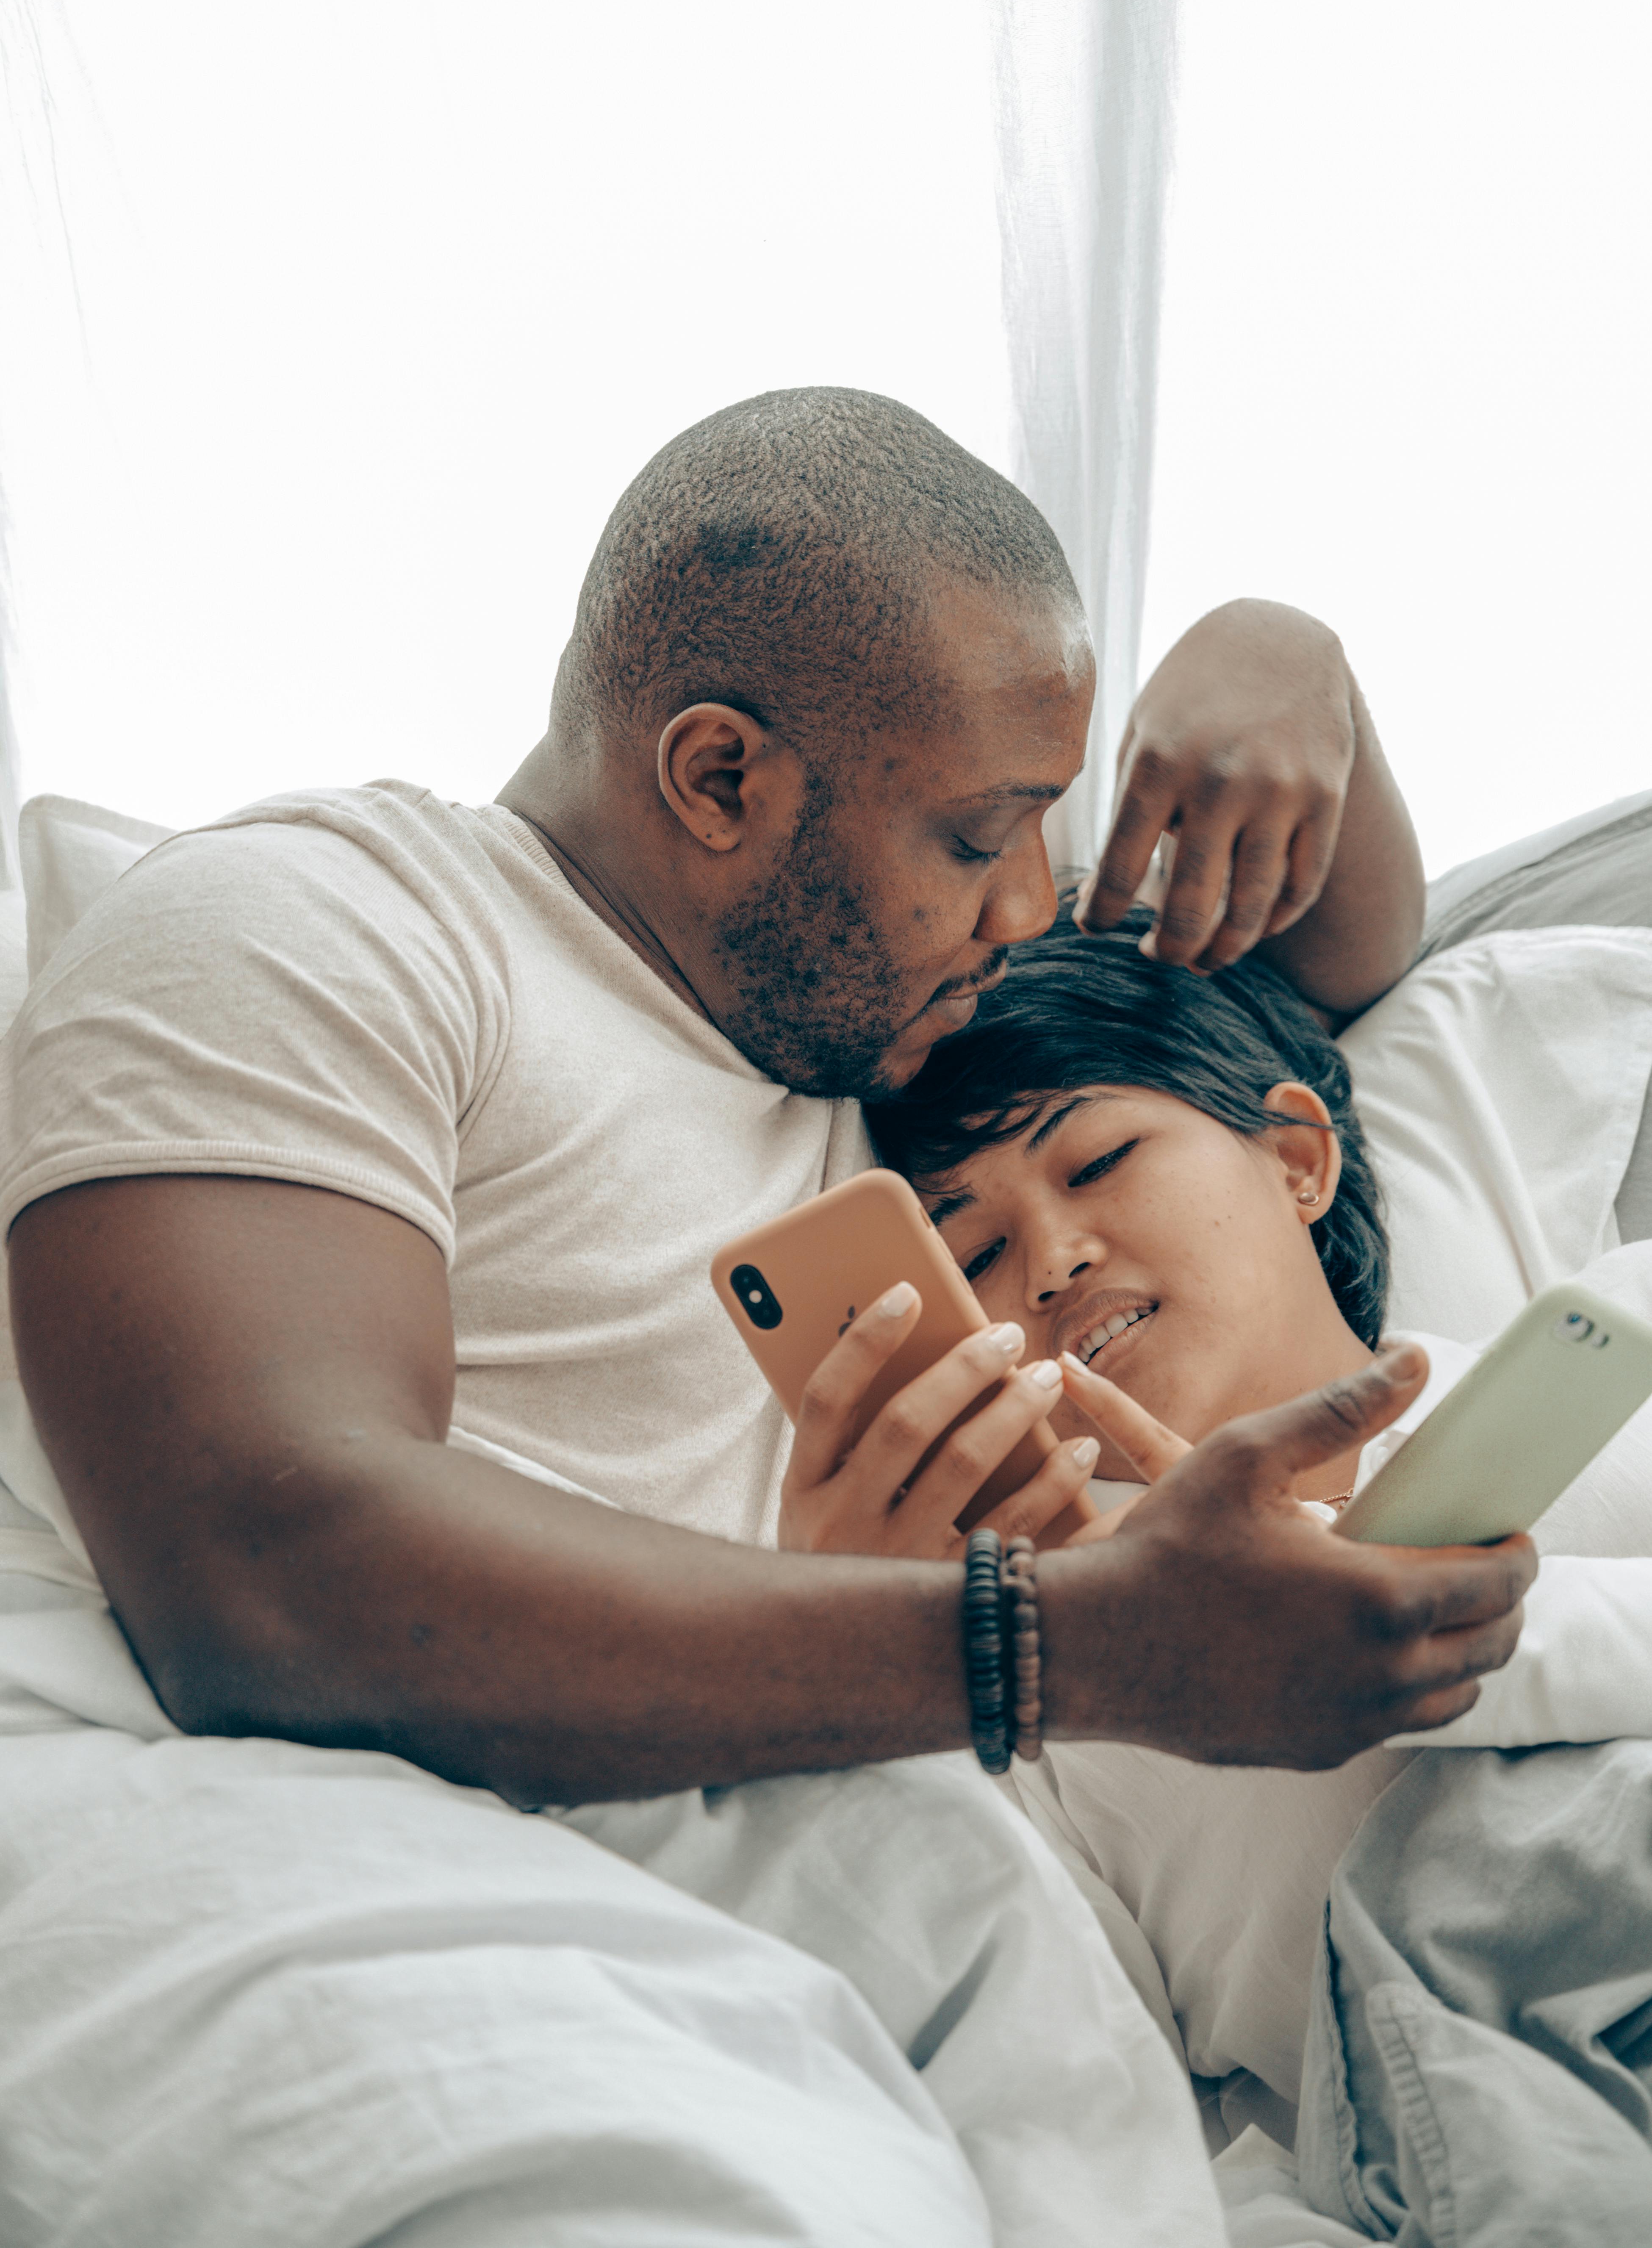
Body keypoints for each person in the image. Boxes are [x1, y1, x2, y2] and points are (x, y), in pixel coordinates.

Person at [1, 388, 1533, 2244]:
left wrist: (1295, 666)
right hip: (334, 1839)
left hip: (774, 1894)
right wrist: (1056, 1647)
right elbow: (265, 1565)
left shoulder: (870, 1077)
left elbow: (1329, 968)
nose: (1028, 899)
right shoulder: (331, 926)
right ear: (722, 779)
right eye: (982, 834)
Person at [859, 900, 1652, 2132]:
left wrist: (1453, 1631)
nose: (1056, 1259)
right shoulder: (1036, 1674)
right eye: (974, 1256)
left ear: (1295, 1158)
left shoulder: (1621, 1347)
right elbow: (1114, 2099)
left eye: (1096, 1162)